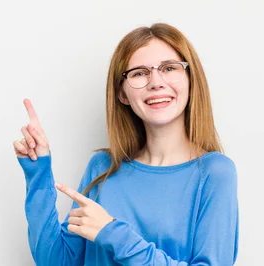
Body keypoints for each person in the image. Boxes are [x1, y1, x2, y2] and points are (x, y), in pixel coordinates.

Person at [13, 23, 239, 265]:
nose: (156, 82)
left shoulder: (215, 172)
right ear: (122, 94)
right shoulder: (103, 167)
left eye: (169, 68)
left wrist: (113, 233)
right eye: (139, 73)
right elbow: (56, 261)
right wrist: (38, 171)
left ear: (191, 80)